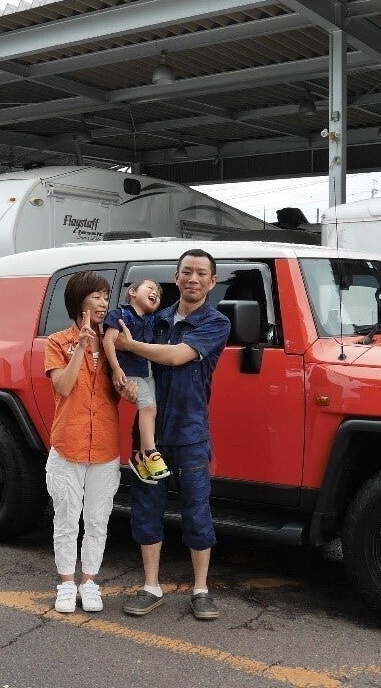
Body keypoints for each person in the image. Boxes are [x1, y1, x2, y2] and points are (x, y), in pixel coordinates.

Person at [115, 249, 231, 621]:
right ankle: (151, 586)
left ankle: (201, 589)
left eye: (201, 273)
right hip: (149, 437)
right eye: (187, 272)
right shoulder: (155, 318)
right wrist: (125, 382)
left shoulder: (216, 323)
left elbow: (176, 356)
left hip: (191, 434)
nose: (193, 279)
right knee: (146, 509)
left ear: (212, 281)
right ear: (176, 277)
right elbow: (131, 364)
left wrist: (130, 345)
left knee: (197, 512)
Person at [43, 271, 129, 614]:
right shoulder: (57, 342)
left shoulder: (113, 343)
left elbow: (127, 389)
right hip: (68, 444)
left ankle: (90, 582)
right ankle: (66, 583)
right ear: (79, 300)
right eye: (97, 296)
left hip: (105, 446)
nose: (104, 302)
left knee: (97, 519)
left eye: (106, 296)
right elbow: (63, 387)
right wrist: (80, 346)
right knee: (66, 518)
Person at [101, 279, 169, 484]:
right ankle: (150, 452)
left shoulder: (153, 319)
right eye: (150, 288)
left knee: (152, 408)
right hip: (129, 372)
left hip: (146, 371)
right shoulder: (120, 314)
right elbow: (108, 341)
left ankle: (139, 458)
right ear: (132, 292)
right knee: (148, 407)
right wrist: (116, 369)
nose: (155, 293)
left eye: (158, 293)